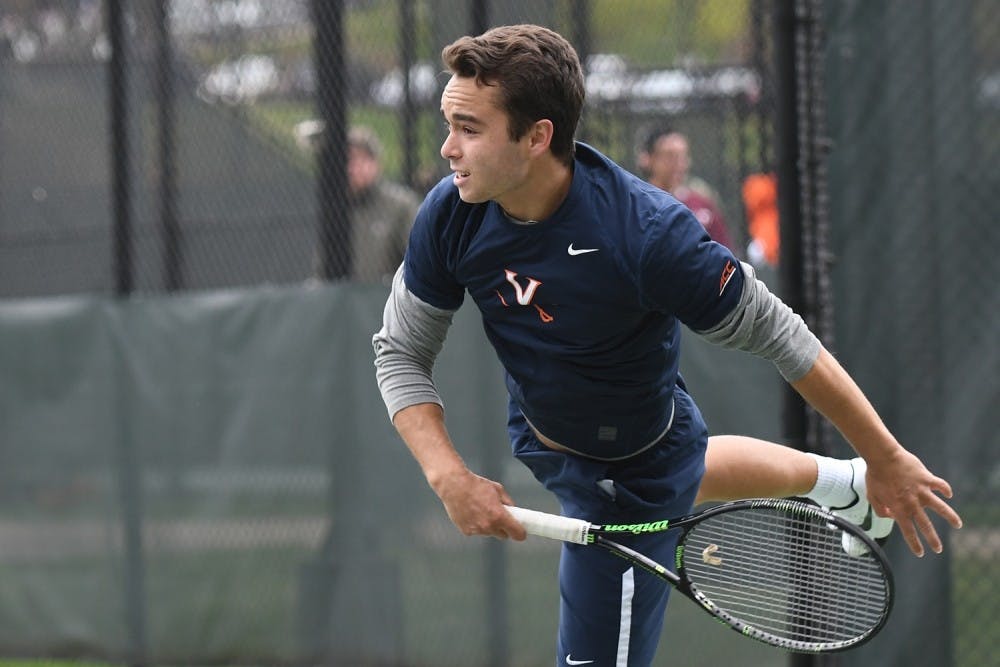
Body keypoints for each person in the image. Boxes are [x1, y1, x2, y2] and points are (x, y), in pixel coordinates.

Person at [372, 24, 962, 666]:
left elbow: (785, 337)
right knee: (691, 461)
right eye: (447, 123)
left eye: (470, 128)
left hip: (628, 479)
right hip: (550, 425)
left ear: (538, 136)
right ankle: (840, 483)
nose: (447, 147)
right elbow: (400, 351)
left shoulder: (650, 237)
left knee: (668, 477)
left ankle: (851, 476)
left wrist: (889, 455)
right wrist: (448, 476)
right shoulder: (453, 211)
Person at [302, 123, 421, 285]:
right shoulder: (334, 209)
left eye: (356, 159)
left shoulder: (401, 204)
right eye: (344, 160)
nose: (350, 168)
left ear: (374, 163)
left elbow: (421, 262)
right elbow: (321, 273)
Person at [638, 128, 736, 253]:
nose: (679, 164)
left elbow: (725, 254)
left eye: (683, 157)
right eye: (670, 156)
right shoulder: (636, 205)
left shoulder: (701, 203)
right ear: (647, 159)